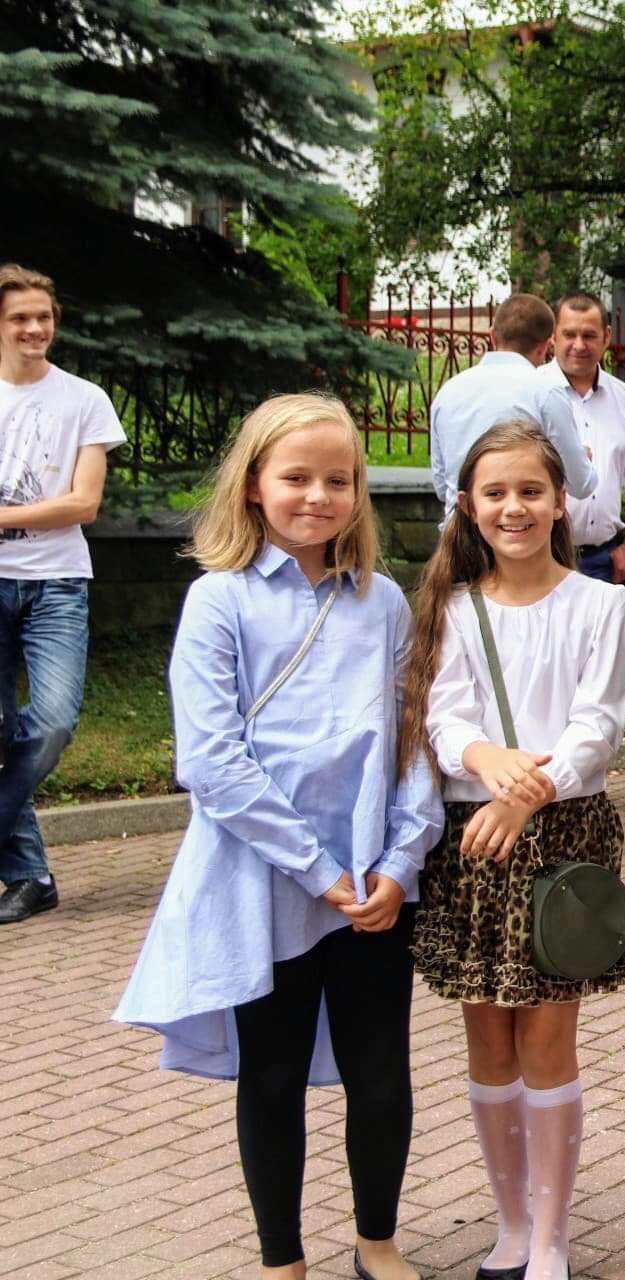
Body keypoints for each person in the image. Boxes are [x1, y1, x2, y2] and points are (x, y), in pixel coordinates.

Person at [112, 393, 442, 1280]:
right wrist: (317, 869)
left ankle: (378, 1241)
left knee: (382, 1071)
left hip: (375, 881)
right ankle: (280, 1259)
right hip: (268, 878)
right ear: (255, 484)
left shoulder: (381, 603)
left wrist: (401, 859)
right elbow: (211, 759)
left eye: (339, 479)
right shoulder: (218, 602)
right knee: (273, 1071)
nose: (318, 496)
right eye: (297, 477)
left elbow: (414, 737)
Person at [403, 420, 625, 1280]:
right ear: (468, 505)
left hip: (562, 839)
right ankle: (510, 1223)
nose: (514, 508)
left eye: (531, 492)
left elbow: (598, 725)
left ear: (561, 501)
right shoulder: (456, 608)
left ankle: (551, 1238)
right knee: (489, 1040)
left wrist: (527, 790)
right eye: (495, 493)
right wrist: (484, 762)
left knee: (546, 1039)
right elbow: (445, 717)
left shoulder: (601, 605)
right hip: (477, 840)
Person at [0, 265, 125, 924]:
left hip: (56, 583)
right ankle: (31, 877)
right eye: (20, 318)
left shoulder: (85, 399)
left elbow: (84, 503)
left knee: (52, 723)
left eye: (43, 317)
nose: (35, 328)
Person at [428, 293, 596, 516]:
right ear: (546, 345)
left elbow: (442, 485)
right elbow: (581, 484)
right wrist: (584, 459)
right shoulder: (545, 393)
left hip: (459, 527)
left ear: (492, 335)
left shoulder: (448, 392)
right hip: (516, 527)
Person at [538, 292, 625, 585]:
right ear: (553, 336)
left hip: (606, 563)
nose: (578, 345)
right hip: (543, 559)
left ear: (606, 336)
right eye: (569, 334)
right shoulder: (533, 393)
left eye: (588, 335)